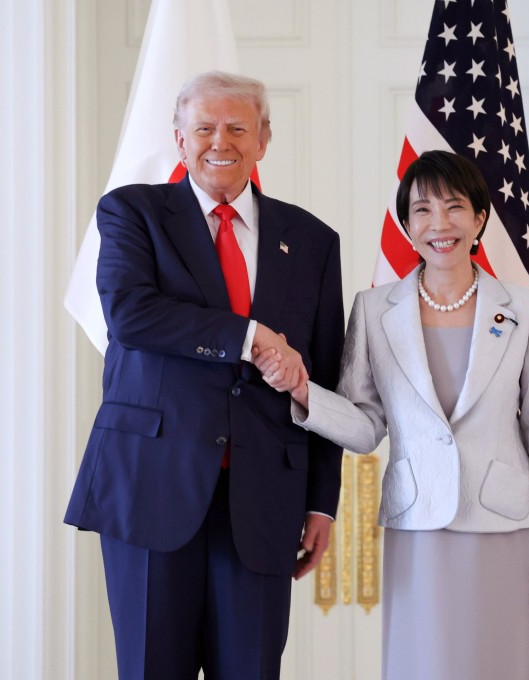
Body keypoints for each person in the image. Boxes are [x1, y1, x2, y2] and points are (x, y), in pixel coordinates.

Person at [64, 71, 345, 680]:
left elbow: (324, 376)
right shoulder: (132, 212)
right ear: (179, 139)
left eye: (238, 128)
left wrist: (322, 502)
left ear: (263, 139)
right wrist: (251, 336)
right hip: (150, 485)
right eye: (204, 128)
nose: (221, 141)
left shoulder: (313, 240)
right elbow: (131, 315)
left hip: (265, 498)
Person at [256, 150, 529, 679]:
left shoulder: (523, 307)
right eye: (422, 210)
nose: (439, 224)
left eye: (455, 207)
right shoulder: (374, 309)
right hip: (418, 525)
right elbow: (365, 426)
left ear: (479, 219)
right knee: (425, 664)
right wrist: (304, 391)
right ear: (406, 224)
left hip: (507, 529)